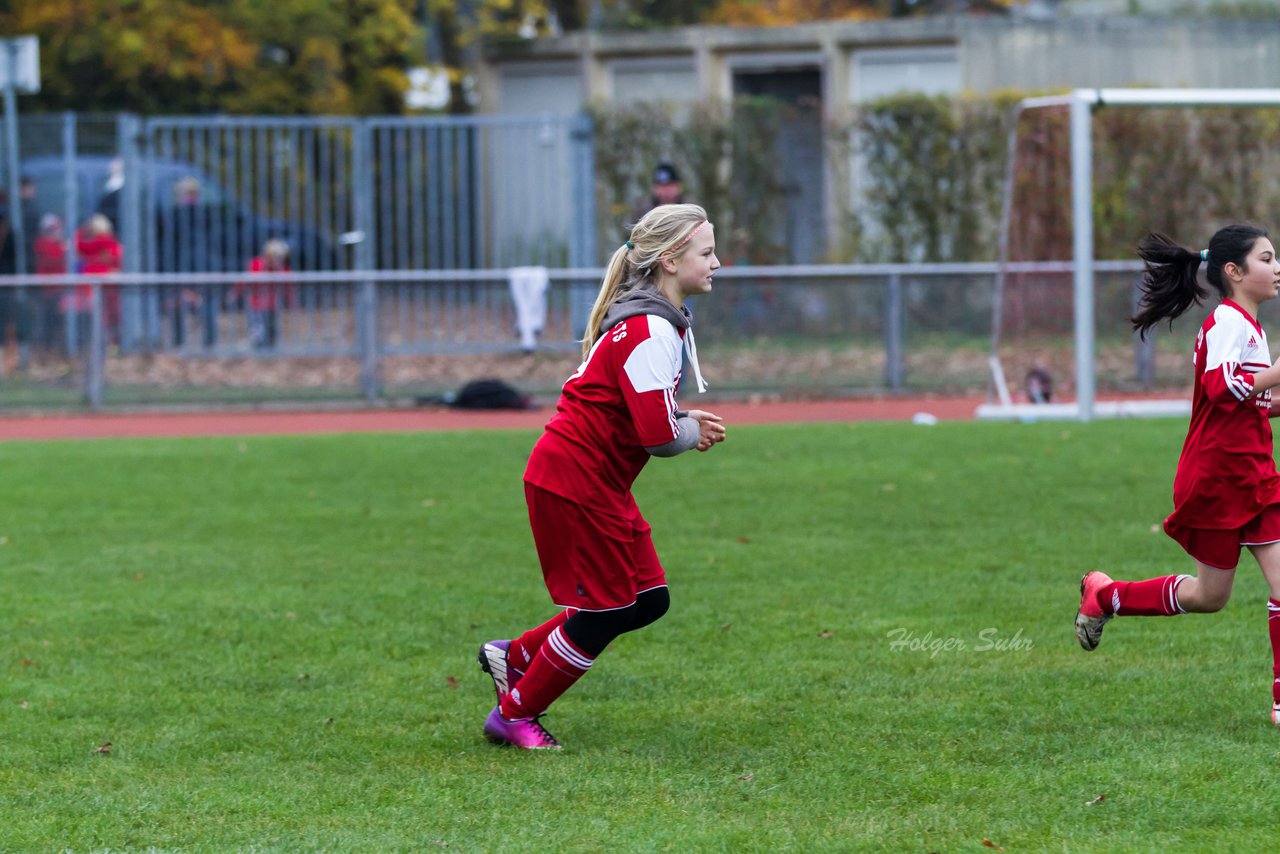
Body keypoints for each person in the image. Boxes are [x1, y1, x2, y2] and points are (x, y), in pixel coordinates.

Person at [477, 203, 726, 750]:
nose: (717, 262)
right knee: (610, 609)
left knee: (647, 599)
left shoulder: (653, 320)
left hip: (589, 480)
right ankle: (516, 713)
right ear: (668, 261)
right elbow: (657, 436)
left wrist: (681, 422)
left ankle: (515, 656)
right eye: (706, 253)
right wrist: (688, 430)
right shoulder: (650, 328)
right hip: (576, 479)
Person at [1074, 223, 1280, 727]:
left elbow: (1255, 402)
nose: (1277, 268)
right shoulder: (1227, 321)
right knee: (1209, 597)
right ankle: (1107, 595)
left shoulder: (1249, 327)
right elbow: (1222, 388)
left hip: (1252, 473)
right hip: (1216, 478)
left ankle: (1104, 596)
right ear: (1234, 272)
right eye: (1268, 259)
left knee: (1235, 591)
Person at [234, 238, 291, 349]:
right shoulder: (256, 264)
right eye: (275, 256)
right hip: (256, 304)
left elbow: (288, 287)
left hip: (272, 304)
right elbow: (245, 281)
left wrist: (291, 301)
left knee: (272, 331)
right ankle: (257, 349)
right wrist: (236, 293)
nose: (278, 259)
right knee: (259, 330)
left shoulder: (283, 269)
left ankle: (270, 351)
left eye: (280, 257)